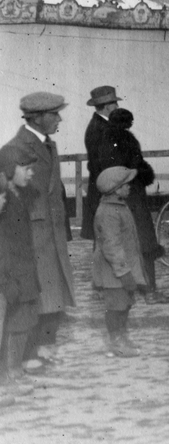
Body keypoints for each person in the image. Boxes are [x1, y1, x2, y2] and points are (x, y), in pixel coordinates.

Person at [0, 93, 74, 369]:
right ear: (38, 117)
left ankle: (40, 348)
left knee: (52, 292)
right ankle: (27, 355)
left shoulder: (47, 144)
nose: (59, 118)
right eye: (54, 114)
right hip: (32, 234)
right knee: (34, 295)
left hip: (50, 232)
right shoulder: (17, 148)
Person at [95, 109, 169, 304]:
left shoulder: (104, 141)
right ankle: (150, 291)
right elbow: (136, 167)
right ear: (127, 123)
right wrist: (143, 173)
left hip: (115, 197)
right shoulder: (126, 141)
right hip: (133, 196)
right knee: (145, 243)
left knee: (118, 243)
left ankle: (120, 289)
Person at [91, 166, 145, 358]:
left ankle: (122, 336)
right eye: (126, 184)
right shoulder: (108, 212)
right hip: (113, 271)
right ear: (116, 189)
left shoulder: (118, 205)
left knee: (125, 303)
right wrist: (123, 272)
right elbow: (111, 246)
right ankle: (116, 341)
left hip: (122, 268)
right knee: (116, 306)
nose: (129, 187)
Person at [0, 151, 40, 396]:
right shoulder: (6, 202)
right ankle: (10, 372)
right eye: (25, 168)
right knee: (14, 323)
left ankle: (12, 371)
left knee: (23, 320)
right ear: (10, 170)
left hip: (21, 270)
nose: (31, 173)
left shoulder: (16, 196)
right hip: (12, 272)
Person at [81, 84, 121, 240]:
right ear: (106, 107)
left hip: (102, 190)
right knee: (106, 237)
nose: (117, 107)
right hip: (104, 191)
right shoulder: (100, 129)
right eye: (114, 103)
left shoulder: (101, 126)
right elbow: (104, 164)